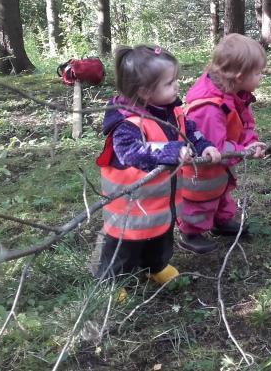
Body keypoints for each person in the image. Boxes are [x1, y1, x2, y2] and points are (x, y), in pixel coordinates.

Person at [94, 45, 222, 286]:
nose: (177, 86)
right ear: (144, 92)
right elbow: (130, 152)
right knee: (125, 246)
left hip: (162, 202)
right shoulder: (127, 123)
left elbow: (189, 131)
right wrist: (171, 150)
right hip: (131, 207)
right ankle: (113, 281)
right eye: (169, 83)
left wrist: (204, 145)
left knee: (161, 237)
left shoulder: (170, 111)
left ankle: (156, 266)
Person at [178, 34, 267, 254]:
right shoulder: (209, 107)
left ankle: (221, 221)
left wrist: (251, 142)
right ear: (239, 76)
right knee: (202, 197)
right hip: (203, 167)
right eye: (258, 73)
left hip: (224, 161)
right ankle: (191, 231)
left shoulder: (236, 94)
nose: (261, 77)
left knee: (223, 189)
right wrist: (245, 151)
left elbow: (244, 124)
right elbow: (215, 148)